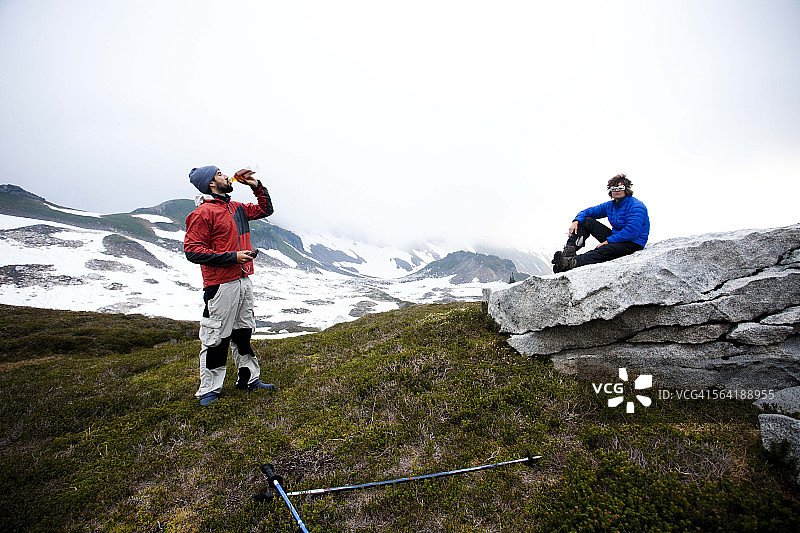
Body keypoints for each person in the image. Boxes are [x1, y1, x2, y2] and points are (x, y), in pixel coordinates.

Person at [184, 165, 276, 406]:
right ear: (211, 184)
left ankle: (248, 379)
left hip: (244, 279)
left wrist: (256, 186)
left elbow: (266, 209)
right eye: (219, 174)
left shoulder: (236, 208)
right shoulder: (203, 213)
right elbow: (192, 251)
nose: (225, 175)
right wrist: (232, 257)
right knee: (216, 337)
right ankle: (209, 390)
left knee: (243, 332)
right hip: (220, 284)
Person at [552, 173, 649, 273]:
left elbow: (632, 231)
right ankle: (569, 252)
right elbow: (588, 212)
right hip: (617, 238)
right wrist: (576, 221)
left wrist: (608, 241)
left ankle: (571, 263)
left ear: (627, 189)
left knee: (603, 250)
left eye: (620, 187)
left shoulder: (636, 206)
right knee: (586, 221)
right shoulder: (610, 205)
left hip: (633, 243)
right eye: (613, 187)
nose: (616, 190)